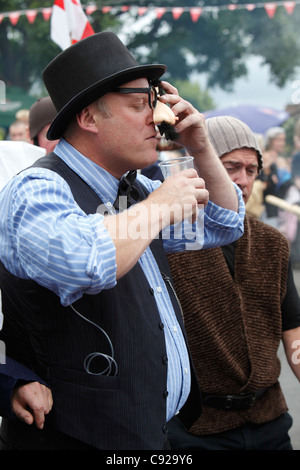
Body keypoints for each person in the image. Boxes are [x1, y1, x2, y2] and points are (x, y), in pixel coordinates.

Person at [0, 32, 245, 450]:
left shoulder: (136, 189)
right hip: (76, 437)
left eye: (155, 103)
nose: (158, 118)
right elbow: (82, 262)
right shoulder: (38, 188)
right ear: (90, 119)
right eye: (138, 105)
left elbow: (223, 224)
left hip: (148, 430)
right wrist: (159, 206)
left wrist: (202, 148)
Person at [167, 116, 300, 451]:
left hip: (269, 420)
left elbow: (294, 330)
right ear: (202, 166)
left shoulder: (272, 243)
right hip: (194, 429)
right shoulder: (171, 241)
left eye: (251, 170)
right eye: (230, 167)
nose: (242, 180)